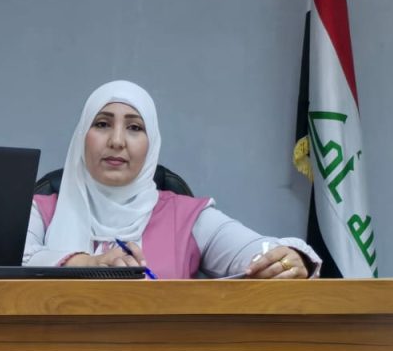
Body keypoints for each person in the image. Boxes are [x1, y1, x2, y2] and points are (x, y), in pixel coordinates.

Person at [24, 81, 321, 279]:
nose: (116, 141)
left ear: (151, 143)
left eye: (134, 128)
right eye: (102, 124)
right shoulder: (39, 210)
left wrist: (290, 260)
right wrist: (87, 264)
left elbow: (258, 252)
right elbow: (12, 259)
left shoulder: (188, 218)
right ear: (81, 137)